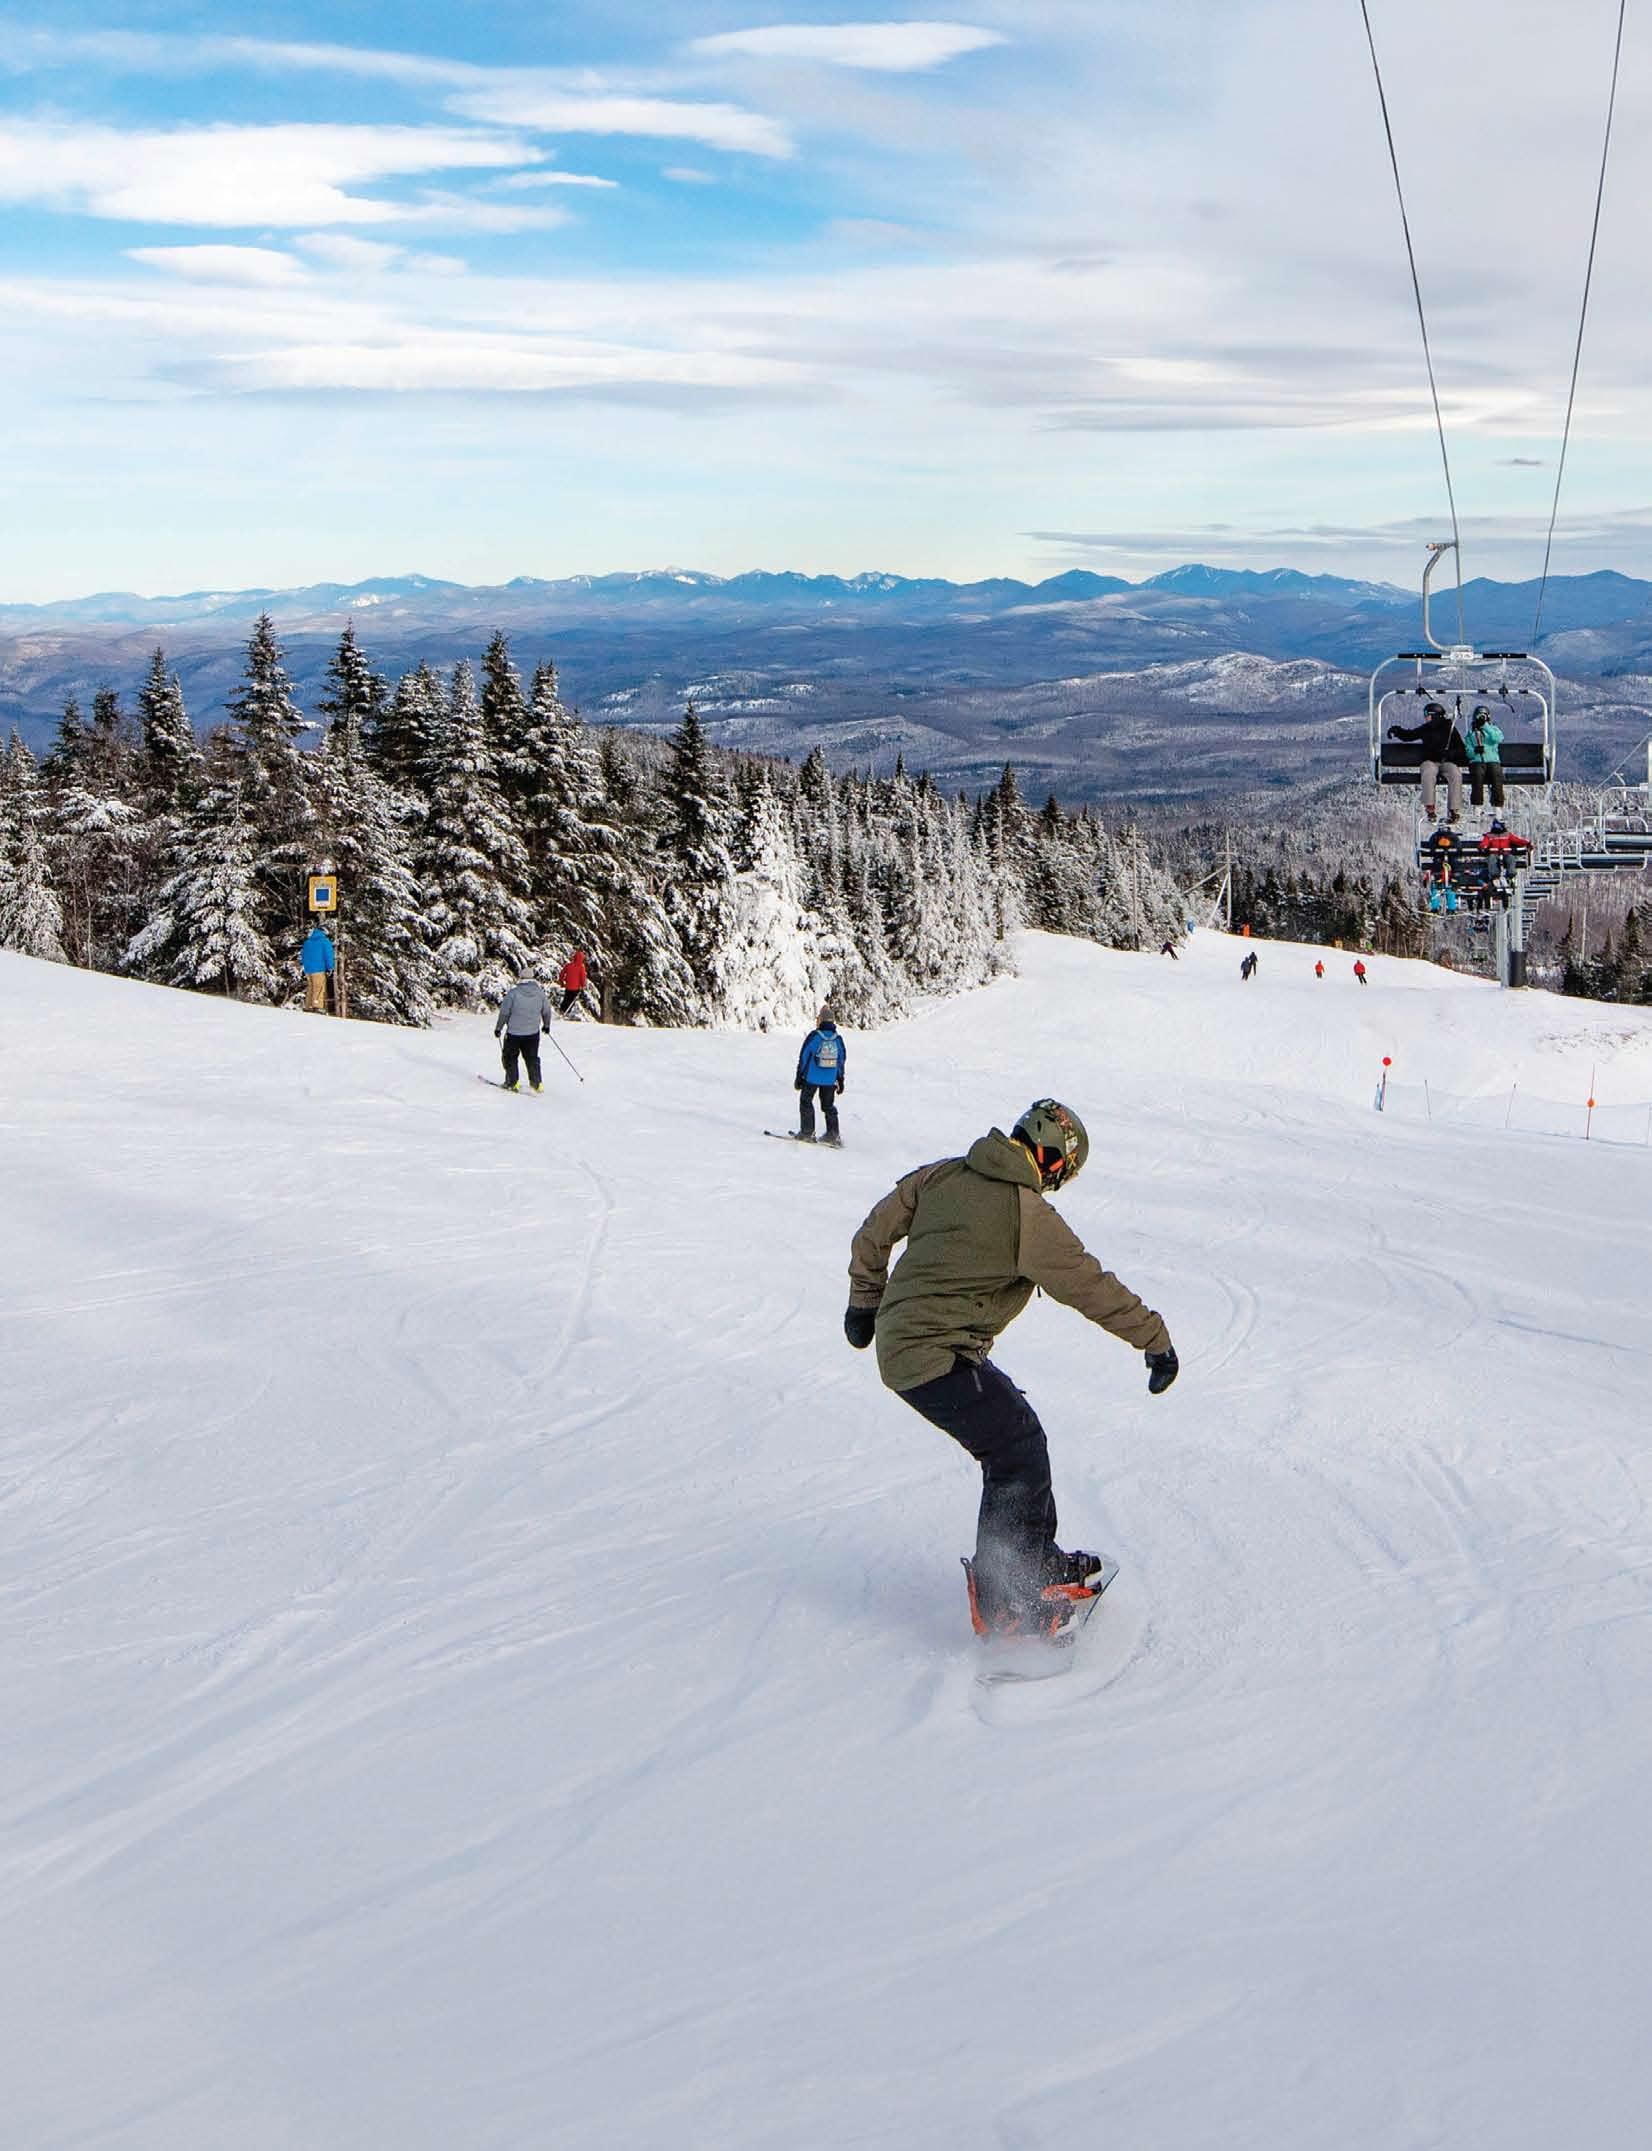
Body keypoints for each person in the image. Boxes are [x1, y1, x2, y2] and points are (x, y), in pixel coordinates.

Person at [844, 1100, 1176, 1639]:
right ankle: (1006, 1600)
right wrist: (1155, 1340)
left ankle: (1035, 1564)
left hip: (918, 1346)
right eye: (1065, 1173)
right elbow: (1092, 1287)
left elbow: (872, 1233)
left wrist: (864, 1305)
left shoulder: (942, 1174)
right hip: (933, 1355)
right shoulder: (1029, 1217)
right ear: (1053, 1160)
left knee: (1019, 1435)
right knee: (1014, 1451)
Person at [1387, 700, 1468, 822]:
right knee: (1428, 772)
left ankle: (1454, 809)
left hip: (1446, 761)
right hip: (1430, 761)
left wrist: (1450, 754)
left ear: (1434, 715)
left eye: (1427, 715)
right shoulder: (1426, 729)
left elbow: (1461, 749)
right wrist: (1397, 731)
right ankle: (1430, 807)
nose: (1425, 718)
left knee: (1455, 774)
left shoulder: (1449, 728)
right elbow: (1410, 735)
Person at [794, 1008, 846, 1145]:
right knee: (828, 1106)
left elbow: (804, 1057)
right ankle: (833, 1134)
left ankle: (807, 1132)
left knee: (806, 1101)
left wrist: (799, 1076)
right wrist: (840, 1079)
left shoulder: (814, 1036)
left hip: (811, 1078)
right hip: (830, 1080)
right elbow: (841, 1061)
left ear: (821, 1020)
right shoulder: (838, 1039)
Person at [494, 970, 551, 1091]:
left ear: (521, 978)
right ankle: (537, 1084)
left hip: (514, 1033)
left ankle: (512, 1082)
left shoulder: (513, 993)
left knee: (510, 1057)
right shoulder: (540, 994)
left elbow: (504, 1013)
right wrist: (546, 1025)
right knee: (532, 1058)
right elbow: (546, 1011)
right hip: (532, 1033)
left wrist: (499, 1028)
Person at [1464, 705, 1505, 809]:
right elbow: (1468, 752)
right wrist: (1475, 751)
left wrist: (1485, 726)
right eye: (1479, 716)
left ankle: (1498, 804)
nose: (1481, 718)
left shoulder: (1493, 729)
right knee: (1477, 775)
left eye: (1484, 715)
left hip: (1492, 760)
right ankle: (1477, 805)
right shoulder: (1471, 733)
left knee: (1496, 775)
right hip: (1477, 761)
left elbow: (1497, 738)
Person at [300, 923, 335, 1014]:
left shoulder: (307, 942)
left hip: (308, 969)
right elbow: (328, 955)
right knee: (319, 987)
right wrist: (330, 967)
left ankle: (308, 1005)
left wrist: (305, 966)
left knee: (311, 987)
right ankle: (317, 1005)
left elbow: (303, 955)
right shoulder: (325, 941)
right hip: (319, 968)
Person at [557, 949, 594, 1019]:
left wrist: (562, 982)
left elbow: (562, 973)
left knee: (566, 999)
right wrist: (583, 985)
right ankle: (566, 1013)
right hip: (576, 988)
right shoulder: (581, 967)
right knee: (571, 1001)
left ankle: (561, 1010)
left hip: (568, 986)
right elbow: (583, 977)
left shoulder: (568, 965)